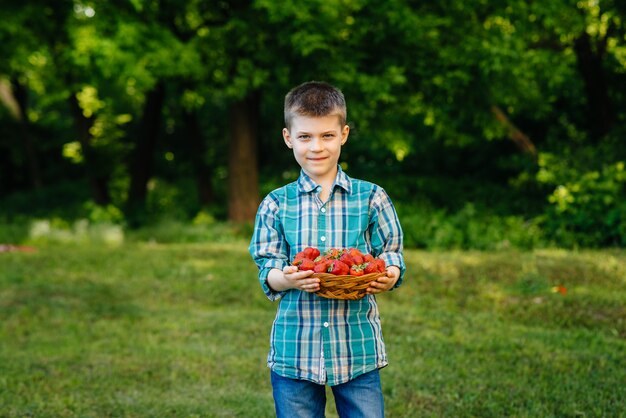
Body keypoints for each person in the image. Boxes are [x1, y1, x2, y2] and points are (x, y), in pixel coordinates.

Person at [249, 81, 406, 417]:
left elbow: (391, 252)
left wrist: (389, 275)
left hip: (356, 348)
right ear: (288, 138)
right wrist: (288, 279)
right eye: (305, 137)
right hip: (296, 349)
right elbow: (269, 269)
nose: (316, 147)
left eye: (327, 136)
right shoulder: (276, 204)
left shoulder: (371, 197)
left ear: (344, 134)